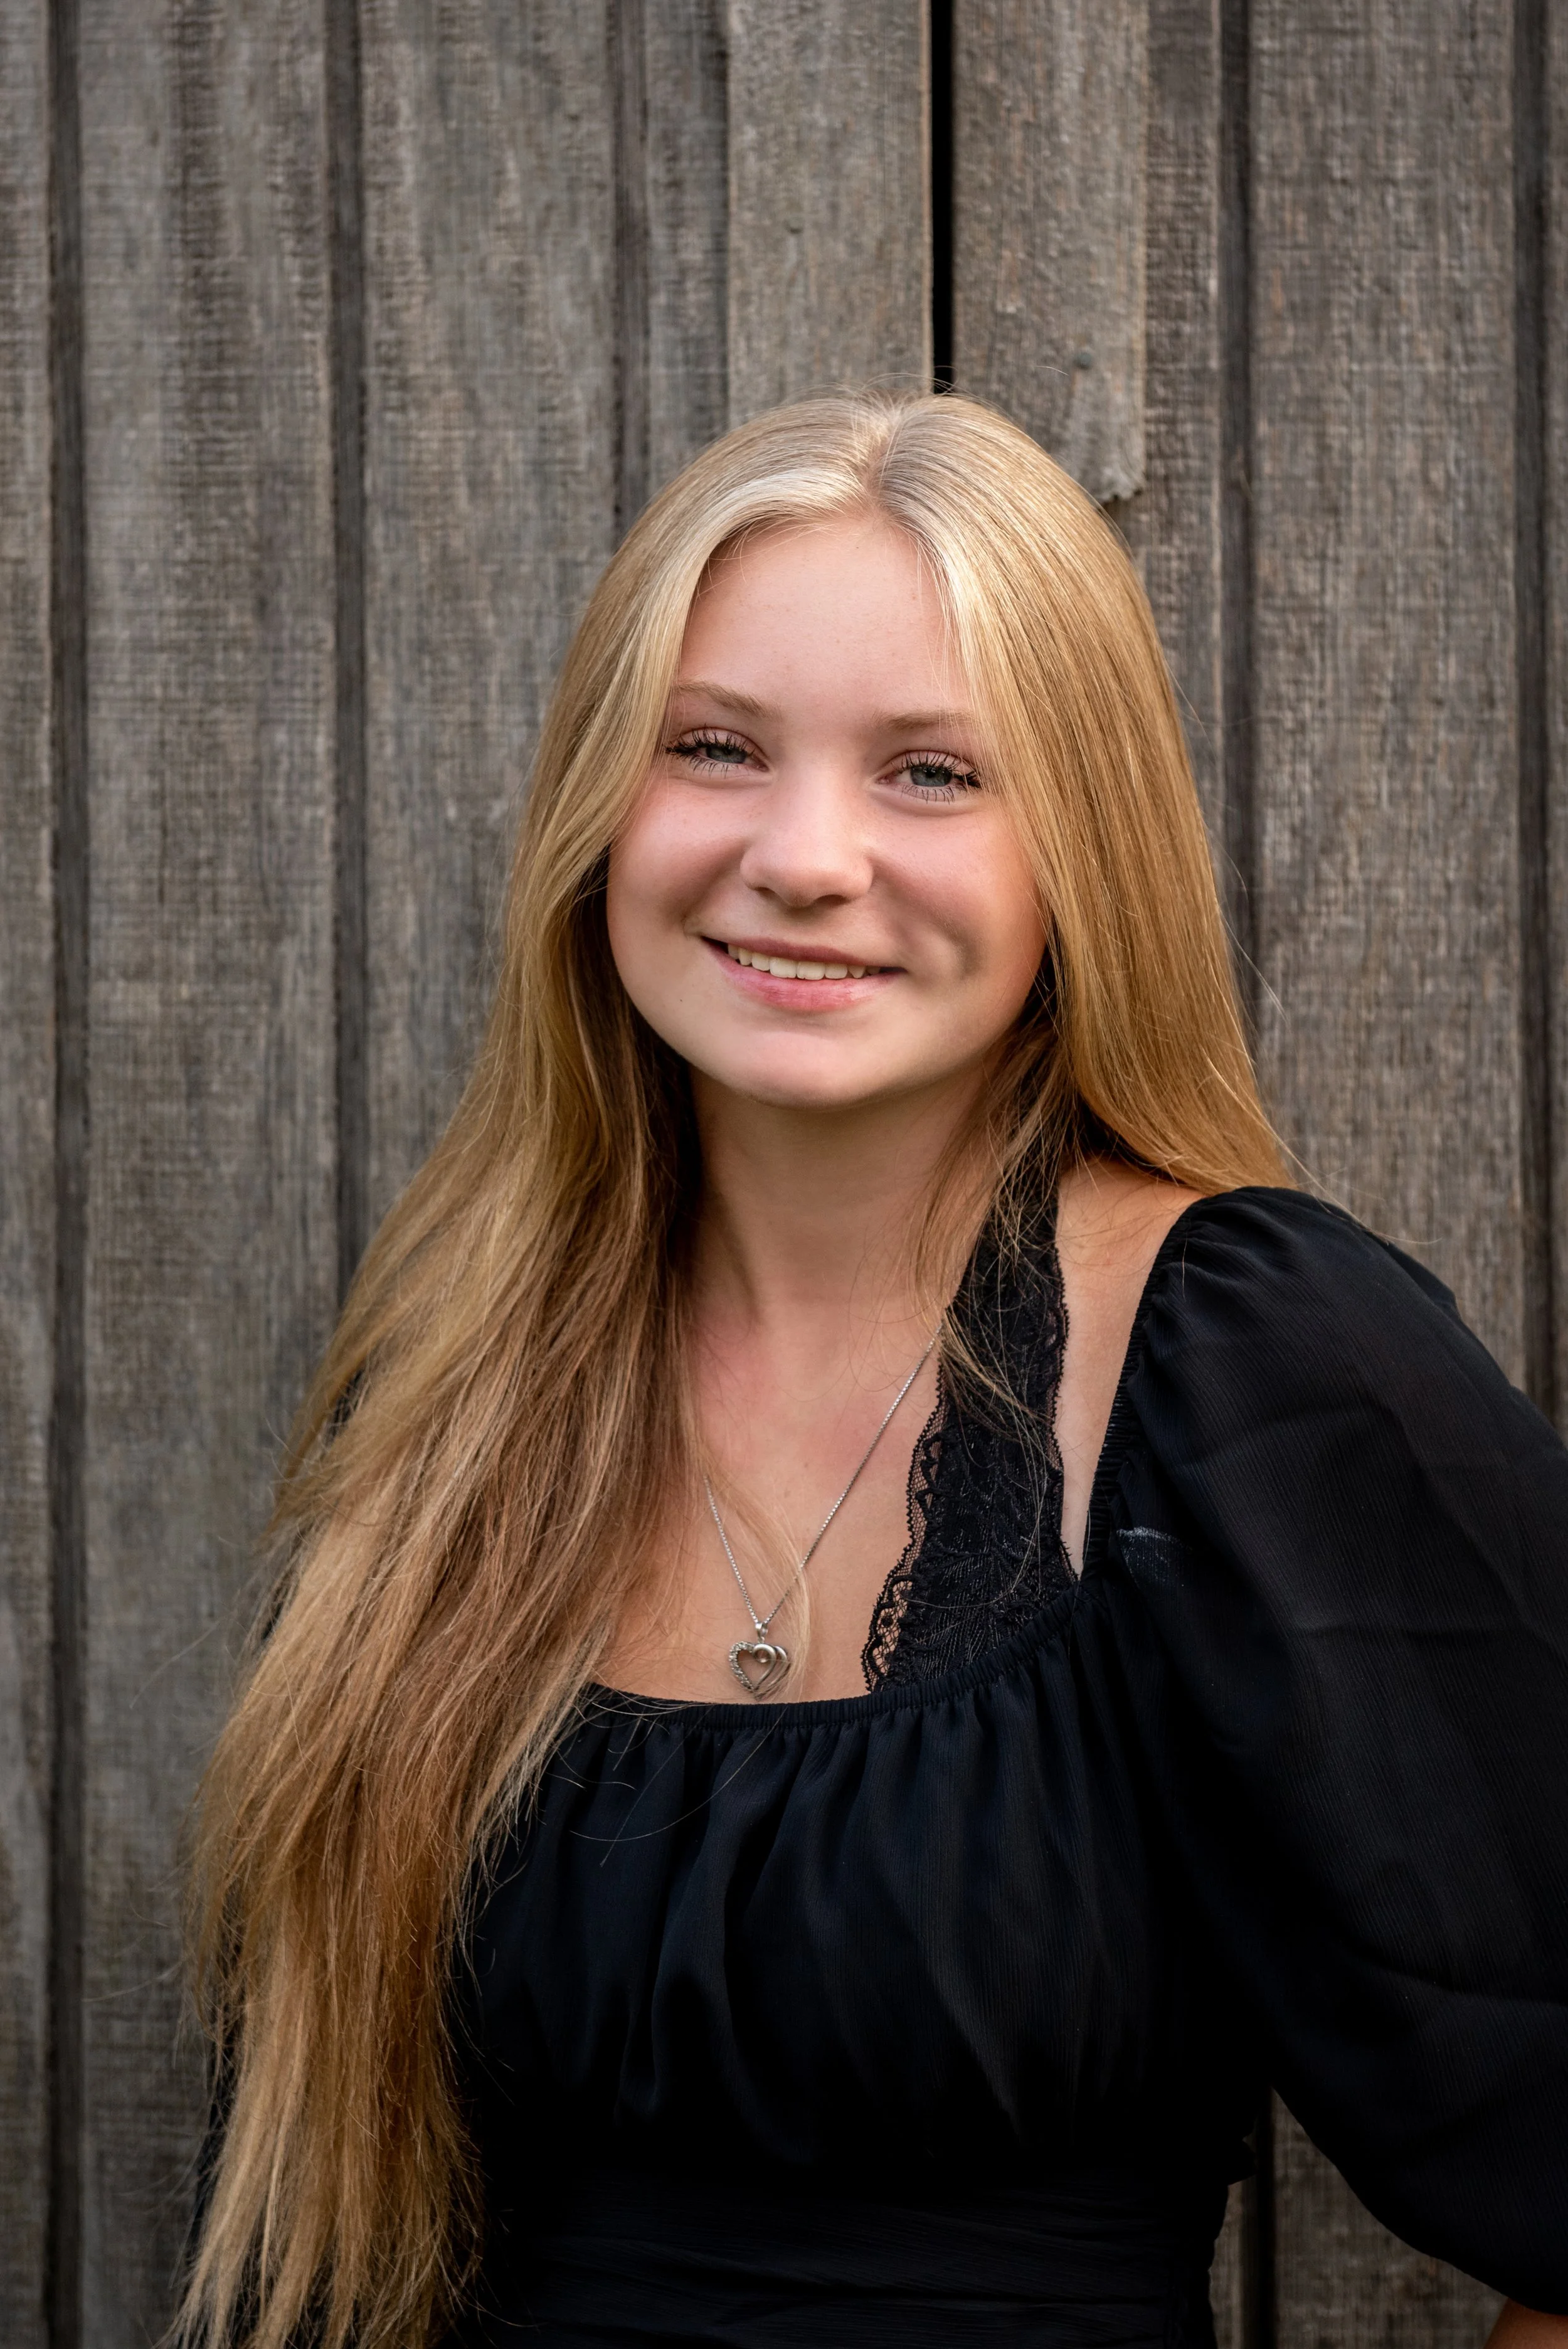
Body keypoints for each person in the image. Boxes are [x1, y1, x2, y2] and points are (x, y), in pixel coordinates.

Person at [180, 391, 1568, 2349]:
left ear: (1077, 846)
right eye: (717, 749)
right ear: (603, 809)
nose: (803, 857)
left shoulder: (1253, 1358)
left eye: (929, 773)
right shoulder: (449, 1392)